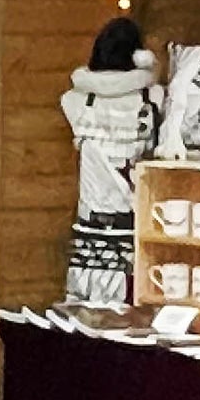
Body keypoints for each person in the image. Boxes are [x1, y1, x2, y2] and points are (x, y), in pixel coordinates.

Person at [60, 18, 165, 304]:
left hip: (90, 226)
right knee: (130, 318)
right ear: (137, 55)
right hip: (134, 225)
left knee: (84, 319)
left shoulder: (76, 100)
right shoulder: (153, 97)